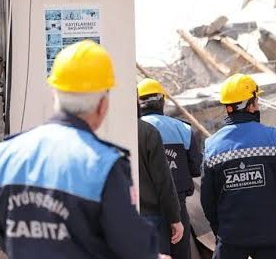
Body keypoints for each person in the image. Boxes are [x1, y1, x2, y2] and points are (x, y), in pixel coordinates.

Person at [0, 40, 160, 258]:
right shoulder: (103, 164)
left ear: (55, 94)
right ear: (103, 105)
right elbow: (134, 247)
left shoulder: (6, 154)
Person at [200, 73, 276, 259]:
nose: (258, 106)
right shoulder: (272, 138)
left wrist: (220, 229)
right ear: (250, 106)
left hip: (231, 235)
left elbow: (207, 197)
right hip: (270, 233)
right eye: (256, 101)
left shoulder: (212, 145)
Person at [137, 78, 202, 259]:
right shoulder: (184, 129)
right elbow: (196, 169)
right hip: (178, 208)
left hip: (146, 210)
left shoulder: (136, 130)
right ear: (162, 101)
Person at [137, 100, 184, 255]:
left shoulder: (98, 133)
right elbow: (163, 180)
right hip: (151, 218)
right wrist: (175, 218)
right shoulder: (147, 132)